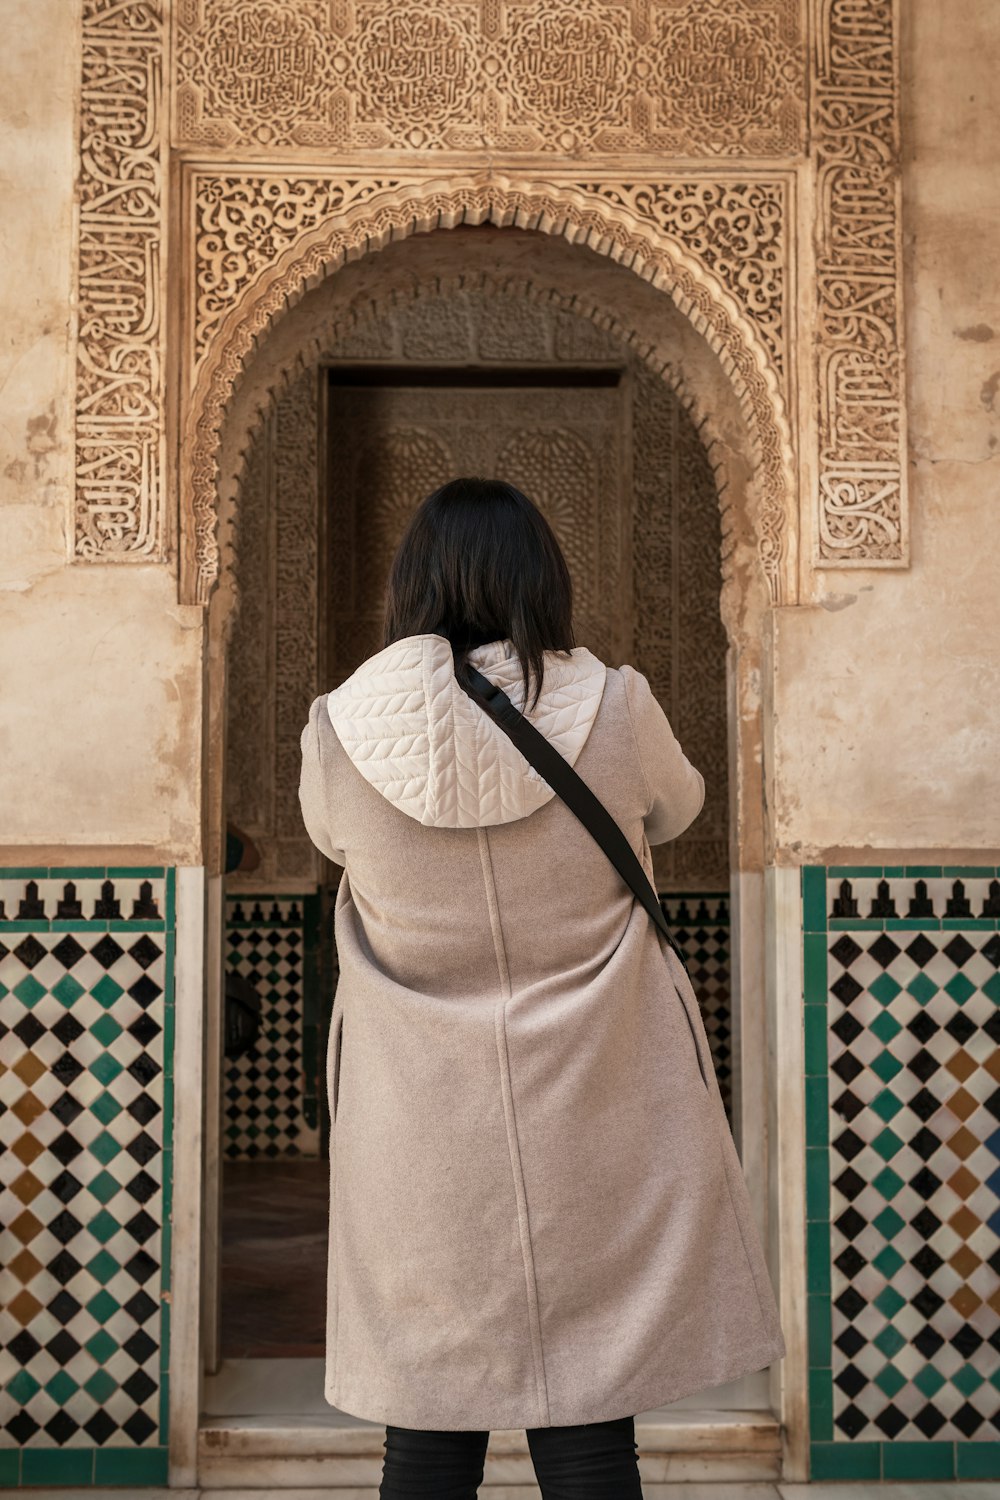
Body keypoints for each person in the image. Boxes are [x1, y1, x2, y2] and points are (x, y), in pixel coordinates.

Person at [298, 477, 786, 1499]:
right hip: (594, 1106)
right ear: (542, 580)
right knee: (592, 1423)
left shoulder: (336, 729)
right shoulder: (615, 702)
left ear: (410, 582)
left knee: (427, 1431)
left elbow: (331, 841)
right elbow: (678, 808)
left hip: (417, 1128)